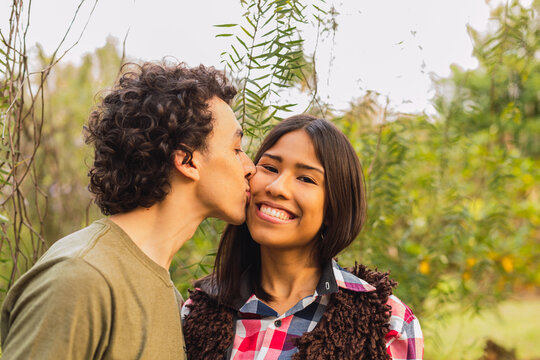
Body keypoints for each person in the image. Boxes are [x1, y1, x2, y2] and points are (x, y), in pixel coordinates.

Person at [0, 61, 255, 359]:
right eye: (236, 149)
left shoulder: (165, 293)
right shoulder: (81, 277)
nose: (250, 167)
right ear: (187, 161)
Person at [182, 114, 423, 359]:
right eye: (269, 168)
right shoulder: (198, 311)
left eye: (306, 178)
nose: (276, 187)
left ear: (332, 208)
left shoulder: (386, 322)